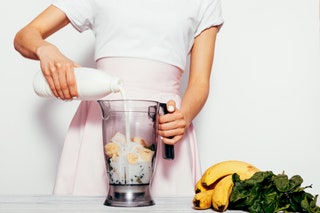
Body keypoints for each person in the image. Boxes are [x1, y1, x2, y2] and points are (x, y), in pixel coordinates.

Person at [14, 0, 223, 196]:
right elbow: (25, 35)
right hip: (100, 122)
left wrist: (183, 116)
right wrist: (47, 50)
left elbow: (199, 83)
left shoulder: (205, 2)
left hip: (165, 127)